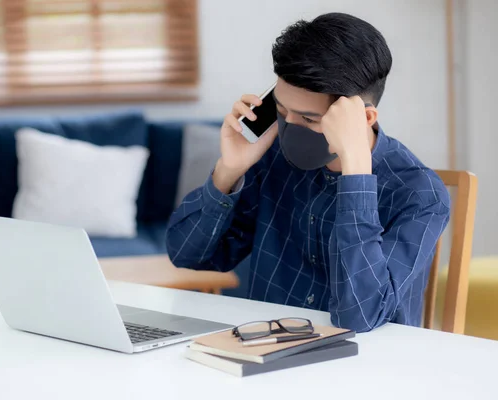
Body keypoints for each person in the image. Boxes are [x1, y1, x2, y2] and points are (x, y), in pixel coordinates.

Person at [165, 12, 450, 332]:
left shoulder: (420, 194)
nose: (290, 128)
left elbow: (360, 316)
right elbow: (187, 255)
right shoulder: (273, 159)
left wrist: (355, 174)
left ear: (364, 118)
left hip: (367, 367)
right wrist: (229, 169)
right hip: (268, 351)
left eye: (309, 119)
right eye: (283, 111)